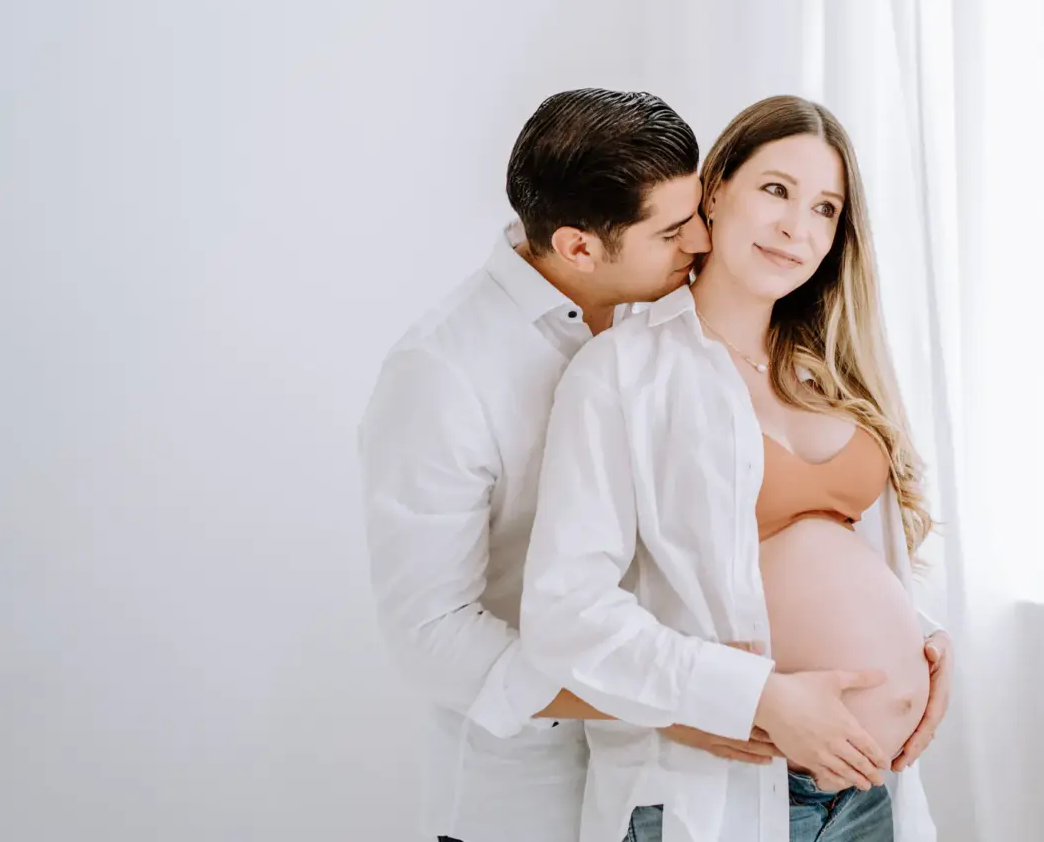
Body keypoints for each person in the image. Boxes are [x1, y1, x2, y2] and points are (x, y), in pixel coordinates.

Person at [521, 95, 953, 842]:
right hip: (717, 797)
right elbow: (566, 609)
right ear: (715, 190)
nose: (797, 227)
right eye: (776, 190)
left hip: (867, 792)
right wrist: (753, 695)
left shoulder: (833, 373)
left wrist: (920, 645)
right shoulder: (624, 371)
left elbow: (838, 558)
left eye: (825, 208)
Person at [357, 88, 717, 842]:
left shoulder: (668, 316)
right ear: (578, 246)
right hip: (522, 795)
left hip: (667, 779)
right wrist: (672, 695)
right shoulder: (440, 373)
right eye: (675, 230)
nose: (702, 244)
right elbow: (429, 633)